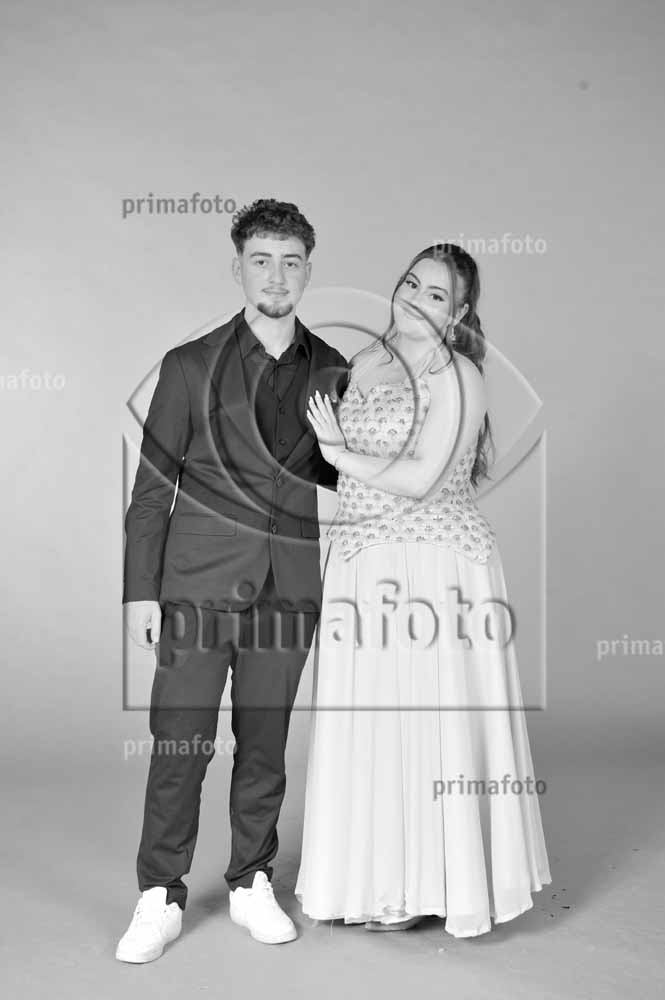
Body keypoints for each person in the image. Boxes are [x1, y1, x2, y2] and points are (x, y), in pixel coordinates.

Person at [116, 198, 350, 961]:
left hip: (288, 589)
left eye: (290, 261)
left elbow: (348, 475)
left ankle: (252, 879)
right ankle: (160, 893)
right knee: (180, 742)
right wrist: (141, 592)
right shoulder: (189, 365)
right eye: (261, 260)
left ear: (307, 270)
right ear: (238, 268)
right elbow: (151, 490)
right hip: (195, 587)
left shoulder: (333, 369)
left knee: (265, 743)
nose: (276, 276)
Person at [297, 243, 551, 938]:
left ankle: (436, 883)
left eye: (435, 294)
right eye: (410, 283)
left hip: (432, 567)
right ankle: (375, 880)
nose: (414, 298)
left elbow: (422, 479)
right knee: (371, 724)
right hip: (360, 560)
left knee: (423, 722)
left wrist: (338, 451)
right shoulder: (365, 362)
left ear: (459, 314)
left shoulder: (460, 375)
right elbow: (345, 471)